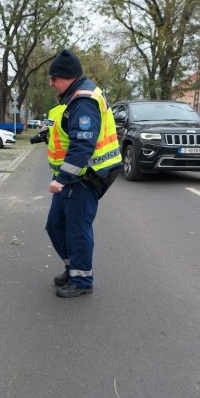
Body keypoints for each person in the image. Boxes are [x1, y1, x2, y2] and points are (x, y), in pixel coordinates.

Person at [44, 49, 122, 298]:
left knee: (76, 228)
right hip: (77, 176)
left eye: (54, 78)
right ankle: (72, 268)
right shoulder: (73, 97)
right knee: (56, 225)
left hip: (87, 176)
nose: (51, 83)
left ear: (66, 78)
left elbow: (82, 145)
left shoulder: (83, 101)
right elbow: (67, 131)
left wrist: (62, 179)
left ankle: (81, 281)